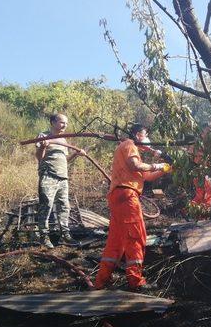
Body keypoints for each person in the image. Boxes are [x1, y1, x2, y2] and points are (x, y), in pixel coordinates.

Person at [95, 123, 171, 291]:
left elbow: (147, 176)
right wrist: (157, 165)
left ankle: (102, 281)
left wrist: (164, 169)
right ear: (138, 135)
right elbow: (135, 166)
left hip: (119, 196)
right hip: (127, 195)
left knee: (116, 240)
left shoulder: (132, 151)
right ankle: (136, 282)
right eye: (145, 135)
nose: (147, 141)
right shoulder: (129, 145)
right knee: (136, 236)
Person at [35, 113, 85, 249]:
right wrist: (43, 146)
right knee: (46, 206)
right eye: (62, 122)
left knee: (64, 206)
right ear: (53, 122)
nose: (65, 125)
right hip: (48, 176)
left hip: (63, 178)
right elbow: (39, 157)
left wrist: (76, 154)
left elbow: (65, 160)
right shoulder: (43, 135)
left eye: (66, 123)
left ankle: (65, 234)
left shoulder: (63, 140)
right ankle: (44, 237)